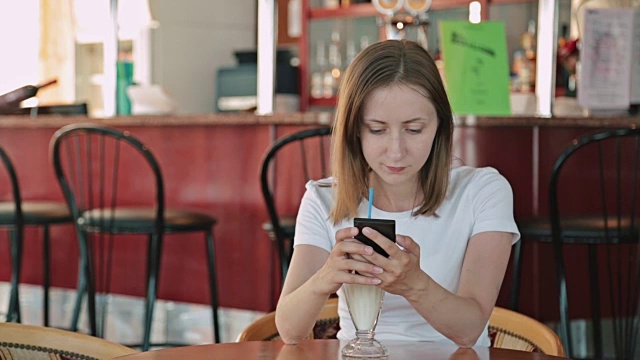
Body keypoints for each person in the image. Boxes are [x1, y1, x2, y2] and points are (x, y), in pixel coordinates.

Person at [275, 39, 520, 347]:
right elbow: (289, 330)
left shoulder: (483, 191)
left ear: (440, 127)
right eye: (377, 130)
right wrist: (325, 278)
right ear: (355, 131)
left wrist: (413, 284)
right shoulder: (324, 198)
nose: (396, 151)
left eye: (414, 129)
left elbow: (469, 330)